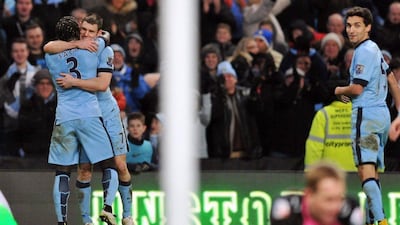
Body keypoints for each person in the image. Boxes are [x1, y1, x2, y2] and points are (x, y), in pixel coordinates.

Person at [45, 14, 134, 225]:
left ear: (98, 33)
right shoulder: (79, 47)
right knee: (85, 170)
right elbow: (50, 45)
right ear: (77, 31)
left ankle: (126, 215)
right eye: (82, 29)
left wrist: (74, 82)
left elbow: (102, 84)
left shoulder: (104, 49)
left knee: (120, 164)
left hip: (104, 111)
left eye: (90, 31)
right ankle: (88, 220)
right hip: (88, 114)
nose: (86, 34)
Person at [334, 6, 400, 225]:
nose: (351, 30)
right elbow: (392, 80)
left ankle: (381, 221)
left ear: (369, 27)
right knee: (371, 171)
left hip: (366, 115)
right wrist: (399, 113)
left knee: (365, 171)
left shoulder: (363, 51)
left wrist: (339, 91)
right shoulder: (375, 49)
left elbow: (357, 90)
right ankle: (374, 220)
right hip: (381, 115)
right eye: (349, 25)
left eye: (357, 25)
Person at [270, 161, 363, 225]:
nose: (335, 207)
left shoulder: (350, 212)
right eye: (328, 199)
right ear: (309, 194)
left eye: (339, 199)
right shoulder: (287, 210)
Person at [305, 80, 356, 172]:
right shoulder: (361, 113)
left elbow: (314, 147)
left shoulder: (323, 114)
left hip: (330, 174)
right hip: (359, 173)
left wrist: (310, 173)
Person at [0, 37, 38, 156]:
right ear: (12, 53)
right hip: (11, 125)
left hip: (32, 125)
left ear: (27, 52)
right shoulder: (5, 77)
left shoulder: (37, 74)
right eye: (16, 51)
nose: (19, 54)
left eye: (22, 50)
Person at [18, 69, 56, 157]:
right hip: (33, 155)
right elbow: (23, 132)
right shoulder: (26, 106)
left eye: (48, 84)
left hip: (55, 155)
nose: (45, 87)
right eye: (41, 83)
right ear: (36, 86)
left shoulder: (60, 106)